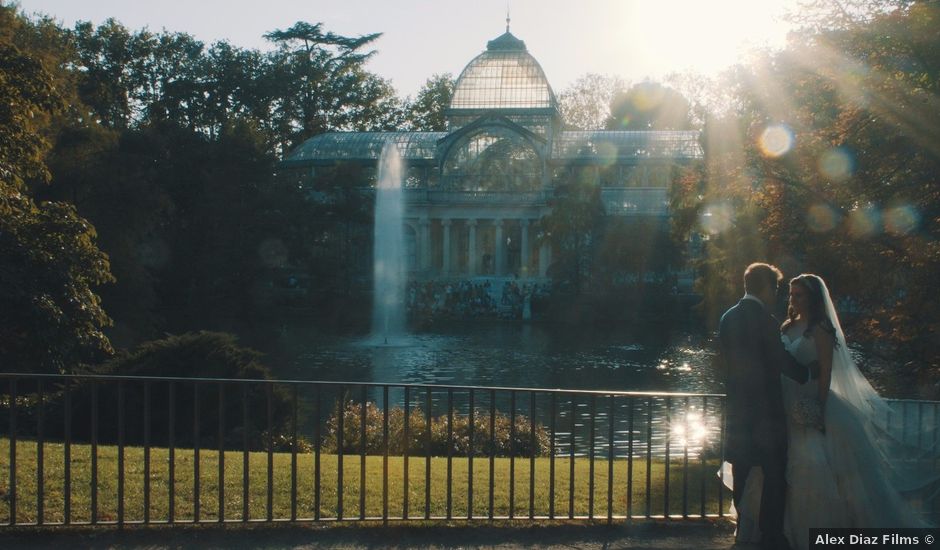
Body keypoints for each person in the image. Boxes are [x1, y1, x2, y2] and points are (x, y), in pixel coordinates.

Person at [735, 273, 938, 549]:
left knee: (815, 466)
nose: (793, 299)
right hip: (784, 406)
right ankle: (775, 531)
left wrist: (818, 408)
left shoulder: (821, 329)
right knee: (776, 472)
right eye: (792, 294)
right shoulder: (785, 326)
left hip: (813, 404)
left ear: (814, 298)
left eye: (800, 294)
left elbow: (826, 373)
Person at [718, 263, 812, 550]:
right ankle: (771, 534)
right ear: (767, 288)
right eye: (775, 289)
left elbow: (724, 363)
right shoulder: (766, 321)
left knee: (742, 469)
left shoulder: (727, 317)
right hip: (766, 415)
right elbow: (782, 361)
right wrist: (808, 372)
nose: (776, 294)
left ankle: (744, 528)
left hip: (736, 411)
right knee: (775, 473)